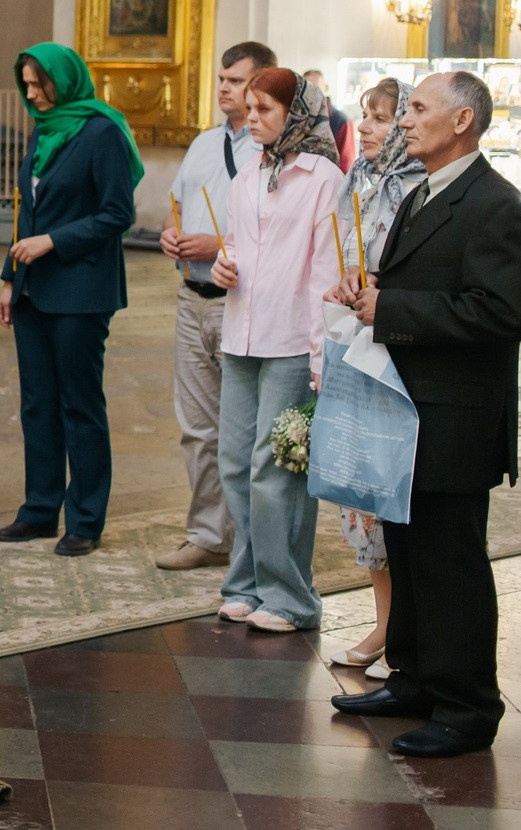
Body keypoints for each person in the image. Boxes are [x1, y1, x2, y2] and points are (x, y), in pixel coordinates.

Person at [331, 72, 521, 758]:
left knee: (452, 566)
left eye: (418, 109)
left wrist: (391, 308)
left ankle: (468, 708)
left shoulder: (496, 204)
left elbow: (502, 312)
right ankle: (415, 679)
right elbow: (426, 284)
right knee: (410, 554)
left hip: (456, 419)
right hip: (408, 412)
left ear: (462, 121)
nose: (404, 120)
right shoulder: (425, 191)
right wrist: (372, 292)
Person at [209, 69, 342, 634]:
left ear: (297, 113)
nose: (252, 119)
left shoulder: (323, 178)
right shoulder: (249, 171)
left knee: (276, 467)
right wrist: (223, 265)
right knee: (235, 462)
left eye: (265, 109)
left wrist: (320, 355)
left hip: (291, 340)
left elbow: (326, 272)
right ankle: (245, 584)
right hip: (241, 334)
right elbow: (238, 245)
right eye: (249, 109)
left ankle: (290, 597)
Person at [0, 43, 140, 557]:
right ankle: (39, 509)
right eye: (26, 85)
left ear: (65, 79)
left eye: (40, 84)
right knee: (37, 403)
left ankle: (85, 519)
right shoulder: (42, 129)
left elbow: (118, 213)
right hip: (33, 288)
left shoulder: (102, 132)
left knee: (79, 403)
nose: (32, 94)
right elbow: (28, 212)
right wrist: (10, 277)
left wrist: (52, 242)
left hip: (81, 289)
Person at [155, 40, 276, 571]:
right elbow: (177, 206)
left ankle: (251, 541)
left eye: (235, 81)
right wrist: (171, 232)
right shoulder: (205, 142)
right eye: (221, 79)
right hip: (192, 299)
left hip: (241, 301)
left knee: (243, 429)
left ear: (260, 83)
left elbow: (276, 233)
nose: (223, 88)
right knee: (198, 426)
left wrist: (216, 245)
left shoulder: (271, 148)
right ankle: (208, 533)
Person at [325, 78, 423, 676]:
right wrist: (344, 282)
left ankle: (405, 629)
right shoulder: (358, 180)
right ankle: (384, 622)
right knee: (361, 491)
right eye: (366, 116)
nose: (365, 127)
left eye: (383, 118)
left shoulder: (419, 187)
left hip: (400, 348)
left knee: (394, 488)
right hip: (355, 340)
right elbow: (343, 252)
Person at [304, 69, 359, 172]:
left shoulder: (342, 121)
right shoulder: (300, 120)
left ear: (325, 87)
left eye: (316, 87)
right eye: (307, 88)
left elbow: (346, 166)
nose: (311, 92)